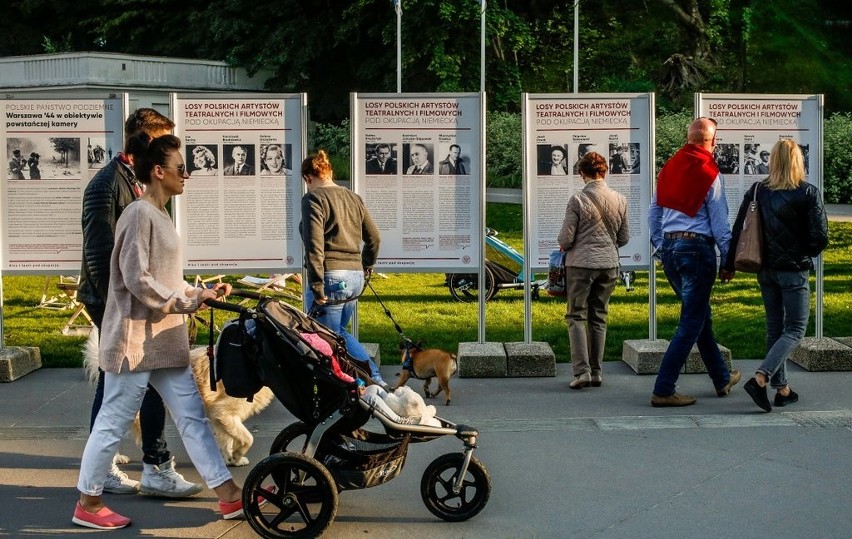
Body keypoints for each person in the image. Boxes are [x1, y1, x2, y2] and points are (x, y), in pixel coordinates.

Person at [72, 134, 246, 530]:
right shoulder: (137, 214)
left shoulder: (161, 215)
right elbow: (138, 279)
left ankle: (229, 494)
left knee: (192, 419)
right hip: (135, 341)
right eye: (181, 167)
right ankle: (89, 502)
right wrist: (184, 301)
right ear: (158, 171)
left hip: (164, 341)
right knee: (113, 420)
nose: (187, 174)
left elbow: (168, 280)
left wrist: (199, 292)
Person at [78, 108, 200, 497]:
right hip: (117, 305)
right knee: (117, 391)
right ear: (145, 141)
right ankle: (111, 470)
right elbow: (100, 255)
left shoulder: (135, 182)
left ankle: (153, 463)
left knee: (133, 389)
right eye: (162, 139)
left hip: (141, 304)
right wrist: (117, 311)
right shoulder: (106, 184)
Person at [724, 140, 828, 412]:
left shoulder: (759, 190)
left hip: (766, 269)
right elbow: (820, 236)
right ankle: (761, 377)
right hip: (793, 271)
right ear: (798, 161)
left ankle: (782, 390)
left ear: (772, 161)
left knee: (775, 328)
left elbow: (740, 229)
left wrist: (729, 264)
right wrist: (803, 252)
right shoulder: (807, 193)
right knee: (795, 329)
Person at [648, 117, 741, 407]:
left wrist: (661, 248)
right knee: (691, 321)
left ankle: (721, 378)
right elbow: (720, 222)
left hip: (671, 247)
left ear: (689, 138)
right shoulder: (710, 171)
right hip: (697, 250)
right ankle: (663, 389)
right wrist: (728, 260)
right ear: (711, 142)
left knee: (699, 316)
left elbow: (654, 212)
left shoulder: (669, 167)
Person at [300, 150, 388, 388]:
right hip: (355, 275)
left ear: (308, 178)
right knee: (339, 333)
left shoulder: (314, 199)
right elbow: (375, 238)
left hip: (330, 276)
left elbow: (314, 246)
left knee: (325, 341)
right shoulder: (353, 197)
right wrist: (367, 265)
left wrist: (316, 285)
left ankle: (356, 386)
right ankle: (373, 379)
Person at [557, 152, 629, 389]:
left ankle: (582, 372)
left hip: (581, 265)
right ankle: (597, 372)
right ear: (604, 172)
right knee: (599, 316)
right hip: (609, 265)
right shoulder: (620, 199)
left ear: (582, 173)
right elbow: (624, 237)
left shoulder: (577, 200)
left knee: (576, 315)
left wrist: (567, 244)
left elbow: (566, 240)